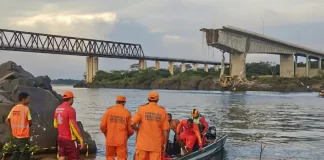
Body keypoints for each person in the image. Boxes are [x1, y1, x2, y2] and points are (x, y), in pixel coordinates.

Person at [131, 90, 169, 160]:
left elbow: (132, 123)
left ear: (148, 98)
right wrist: (165, 144)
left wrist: (137, 129)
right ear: (158, 99)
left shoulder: (142, 109)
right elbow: (165, 130)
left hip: (142, 143)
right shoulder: (162, 111)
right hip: (155, 145)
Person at [100, 96, 134, 160]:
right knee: (122, 158)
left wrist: (106, 134)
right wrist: (127, 136)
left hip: (110, 139)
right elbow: (130, 130)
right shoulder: (127, 113)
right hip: (121, 140)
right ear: (124, 102)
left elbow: (102, 126)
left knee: (110, 157)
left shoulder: (109, 111)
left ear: (116, 102)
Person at [54, 91, 85, 160]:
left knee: (61, 156)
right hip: (69, 139)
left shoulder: (57, 108)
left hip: (60, 138)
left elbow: (55, 125)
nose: (73, 100)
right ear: (70, 99)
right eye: (73, 99)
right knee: (74, 157)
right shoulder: (70, 109)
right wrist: (81, 140)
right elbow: (74, 126)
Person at [6, 92, 32, 160]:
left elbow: (7, 120)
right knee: (26, 153)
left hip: (15, 135)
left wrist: (12, 129)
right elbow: (30, 121)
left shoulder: (14, 108)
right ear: (23, 99)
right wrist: (29, 125)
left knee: (17, 152)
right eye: (28, 99)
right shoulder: (26, 109)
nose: (29, 100)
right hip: (23, 135)